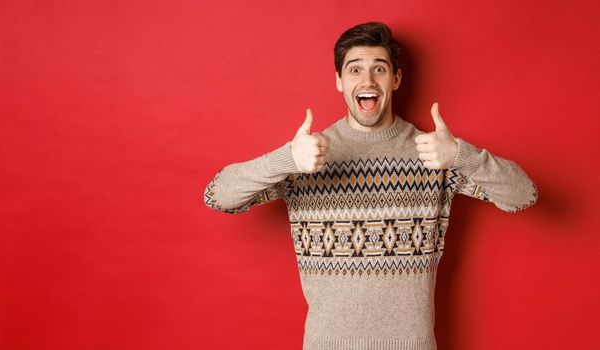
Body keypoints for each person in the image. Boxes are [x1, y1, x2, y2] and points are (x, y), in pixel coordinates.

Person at [202, 22, 537, 350]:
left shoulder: (433, 153)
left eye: (379, 69)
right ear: (339, 81)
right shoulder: (308, 156)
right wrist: (286, 159)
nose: (367, 80)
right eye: (354, 70)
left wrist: (463, 155)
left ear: (395, 79)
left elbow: (524, 195)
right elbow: (217, 196)